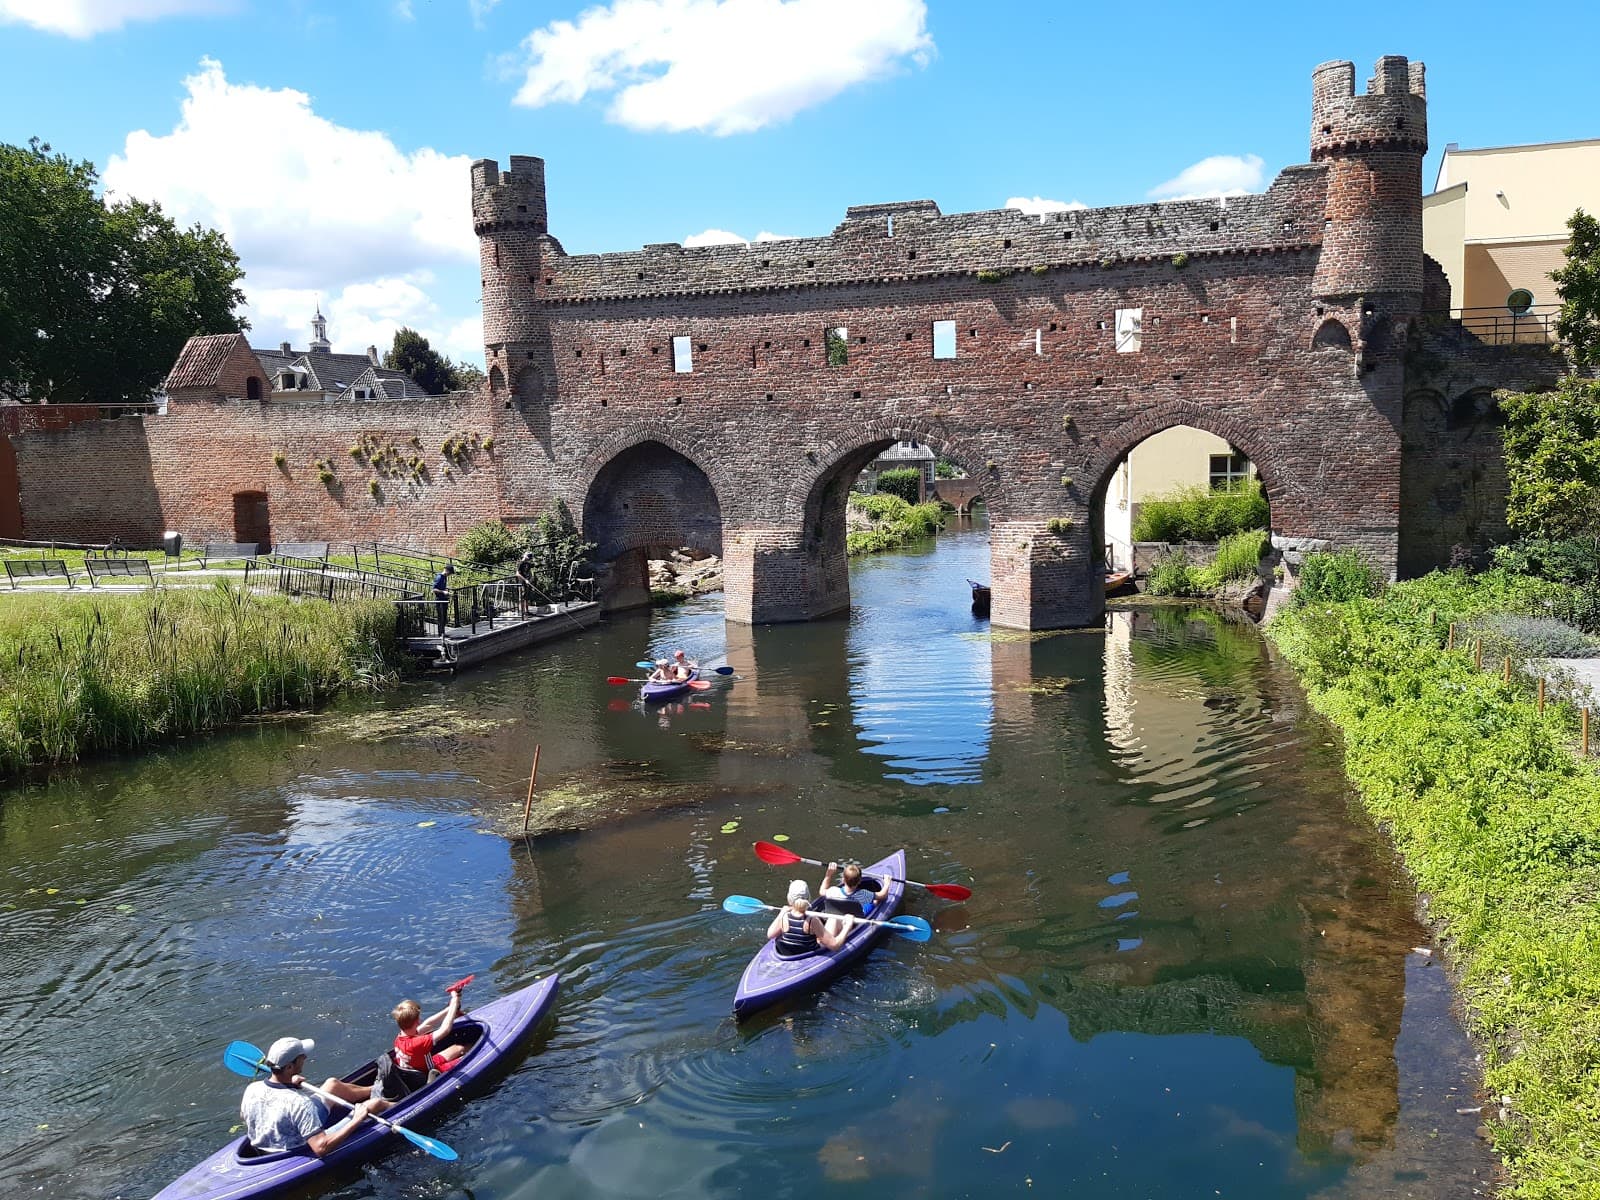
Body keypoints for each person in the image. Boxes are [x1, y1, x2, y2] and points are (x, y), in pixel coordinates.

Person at [240, 1036, 390, 1156]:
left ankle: (377, 1087)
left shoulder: (252, 1089)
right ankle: (399, 1103)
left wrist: (290, 1085)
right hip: (296, 1148)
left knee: (332, 1084)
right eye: (301, 1056)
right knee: (373, 1105)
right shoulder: (299, 1102)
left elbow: (244, 1116)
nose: (305, 1057)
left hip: (268, 1140)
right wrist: (357, 1118)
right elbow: (321, 1148)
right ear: (290, 1067)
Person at [391, 987, 468, 1080]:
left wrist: (450, 1008)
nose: (420, 1021)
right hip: (428, 1072)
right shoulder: (418, 1042)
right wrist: (455, 1002)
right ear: (417, 1022)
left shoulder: (400, 1038)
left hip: (420, 1066)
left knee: (459, 1048)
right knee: (467, 1058)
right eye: (418, 1019)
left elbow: (428, 1024)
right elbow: (445, 1030)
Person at [765, 880, 846, 957]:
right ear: (808, 898)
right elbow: (835, 946)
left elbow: (770, 934)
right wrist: (847, 926)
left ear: (789, 899)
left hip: (788, 953)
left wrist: (781, 913)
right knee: (833, 919)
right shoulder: (812, 920)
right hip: (809, 954)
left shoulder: (784, 916)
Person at [818, 862, 891, 939]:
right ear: (859, 881)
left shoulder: (833, 891)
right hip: (854, 921)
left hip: (839, 918)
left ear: (843, 879)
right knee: (872, 902)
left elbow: (822, 891)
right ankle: (874, 903)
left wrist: (828, 875)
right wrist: (887, 883)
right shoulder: (863, 894)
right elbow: (883, 895)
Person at [431, 564, 456, 634]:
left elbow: (442, 587)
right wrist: (443, 592)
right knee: (441, 618)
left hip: (444, 599)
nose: (450, 574)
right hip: (439, 600)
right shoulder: (439, 577)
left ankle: (443, 633)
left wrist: (446, 591)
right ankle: (440, 634)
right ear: (447, 570)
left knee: (444, 618)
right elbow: (434, 589)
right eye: (450, 573)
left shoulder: (445, 577)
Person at [514, 551, 537, 617]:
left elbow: (532, 568)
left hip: (528, 582)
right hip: (522, 582)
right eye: (528, 557)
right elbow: (517, 573)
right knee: (522, 597)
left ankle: (527, 611)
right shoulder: (520, 563)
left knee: (527, 597)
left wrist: (532, 577)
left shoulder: (528, 563)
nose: (529, 559)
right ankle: (522, 612)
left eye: (530, 558)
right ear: (525, 556)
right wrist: (525, 580)